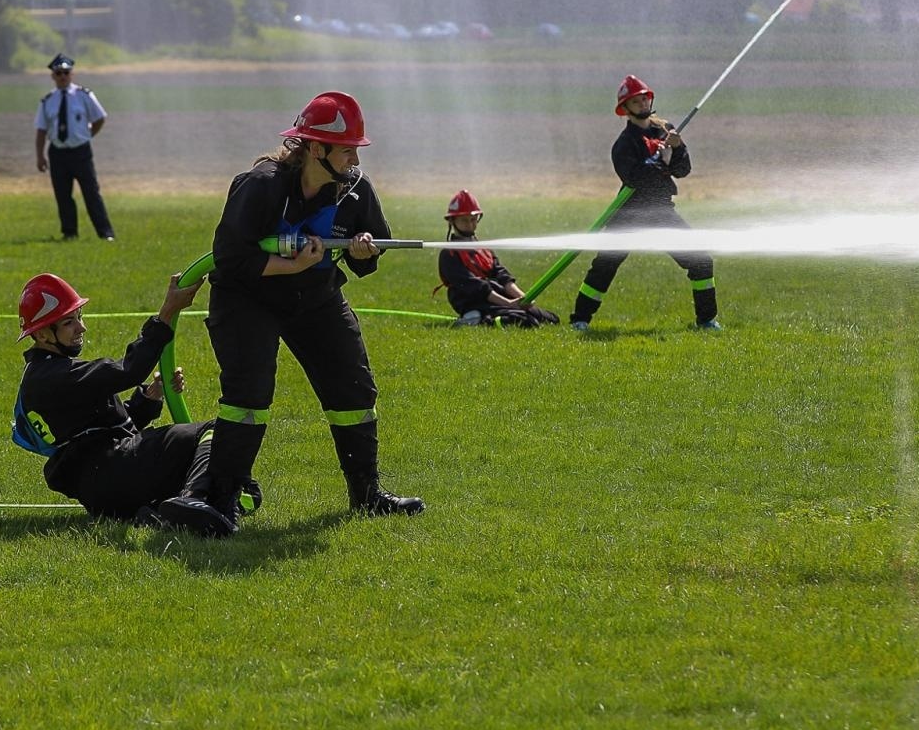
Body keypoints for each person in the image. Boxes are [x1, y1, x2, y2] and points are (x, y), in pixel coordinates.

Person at [199, 91, 425, 519]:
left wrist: (365, 251)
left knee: (352, 387)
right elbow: (230, 259)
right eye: (347, 151)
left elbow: (370, 254)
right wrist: (293, 265)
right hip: (248, 298)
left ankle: (367, 496)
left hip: (316, 297)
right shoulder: (260, 185)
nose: (355, 161)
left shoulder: (356, 191)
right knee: (249, 395)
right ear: (316, 149)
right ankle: (221, 501)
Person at [12, 271, 254, 538]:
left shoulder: (47, 373)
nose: (82, 328)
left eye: (79, 317)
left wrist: (149, 397)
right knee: (218, 431)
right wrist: (167, 312)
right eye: (69, 322)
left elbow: (102, 428)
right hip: (113, 471)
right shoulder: (53, 376)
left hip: (106, 486)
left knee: (207, 458)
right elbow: (130, 370)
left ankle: (169, 511)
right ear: (43, 334)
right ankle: (194, 499)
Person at [569, 74, 720, 331]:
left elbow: (683, 170)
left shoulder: (666, 130)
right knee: (605, 265)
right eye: (635, 102)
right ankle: (580, 319)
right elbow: (636, 178)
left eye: (644, 99)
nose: (642, 105)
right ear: (625, 109)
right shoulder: (623, 145)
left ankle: (706, 321)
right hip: (630, 212)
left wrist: (678, 149)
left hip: (662, 210)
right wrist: (662, 160)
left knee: (701, 260)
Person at [436, 189, 559, 328]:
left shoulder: (483, 249)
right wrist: (509, 304)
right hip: (474, 302)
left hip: (496, 297)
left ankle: (487, 316)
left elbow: (502, 275)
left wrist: (522, 298)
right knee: (526, 321)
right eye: (464, 220)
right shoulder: (449, 254)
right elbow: (476, 287)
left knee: (551, 319)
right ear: (452, 221)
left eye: (473, 219)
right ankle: (476, 319)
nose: (470, 225)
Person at [33, 53, 116, 242]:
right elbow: (41, 130)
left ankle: (106, 233)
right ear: (53, 76)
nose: (62, 76)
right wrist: (40, 156)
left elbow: (99, 118)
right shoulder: (47, 101)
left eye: (66, 72)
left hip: (81, 152)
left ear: (72, 74)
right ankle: (69, 233)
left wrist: (87, 135)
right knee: (63, 195)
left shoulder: (84, 95)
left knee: (91, 193)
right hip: (58, 153)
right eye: (59, 73)